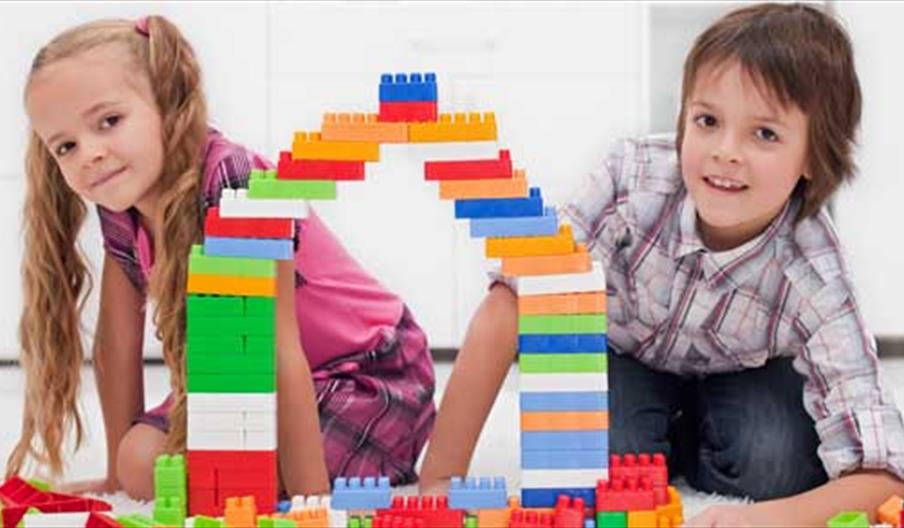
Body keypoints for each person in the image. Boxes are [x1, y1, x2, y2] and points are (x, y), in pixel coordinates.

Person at [419, 3, 904, 525]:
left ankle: (693, 437)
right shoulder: (632, 180)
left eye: (764, 133)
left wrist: (760, 519)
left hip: (743, 380)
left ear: (814, 156)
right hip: (625, 358)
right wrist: (440, 479)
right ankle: (658, 434)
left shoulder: (813, 268)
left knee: (778, 463)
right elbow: (510, 303)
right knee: (586, 467)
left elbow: (882, 473)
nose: (725, 151)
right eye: (708, 120)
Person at [7, 15, 435, 501]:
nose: (91, 154)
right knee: (139, 460)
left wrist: (311, 502)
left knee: (202, 480)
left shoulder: (233, 182)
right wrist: (113, 477)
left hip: (367, 376)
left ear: (166, 104)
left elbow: (278, 347)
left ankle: (316, 478)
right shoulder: (123, 208)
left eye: (109, 122)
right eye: (66, 146)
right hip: (261, 383)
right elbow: (115, 343)